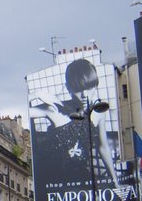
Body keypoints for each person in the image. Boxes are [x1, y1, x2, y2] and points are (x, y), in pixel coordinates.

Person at [29, 58, 120, 190]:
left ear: (95, 86)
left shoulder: (99, 112)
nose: (84, 95)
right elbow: (25, 110)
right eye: (78, 89)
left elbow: (103, 147)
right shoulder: (55, 109)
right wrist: (37, 94)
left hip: (81, 175)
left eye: (89, 88)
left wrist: (115, 181)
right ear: (68, 88)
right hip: (52, 179)